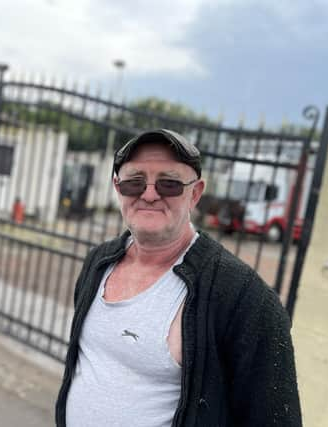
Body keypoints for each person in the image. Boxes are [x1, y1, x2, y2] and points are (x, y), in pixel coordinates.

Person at [55, 129, 301, 427]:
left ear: (195, 193)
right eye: (134, 182)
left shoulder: (243, 297)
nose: (148, 194)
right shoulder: (98, 262)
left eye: (169, 184)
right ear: (118, 188)